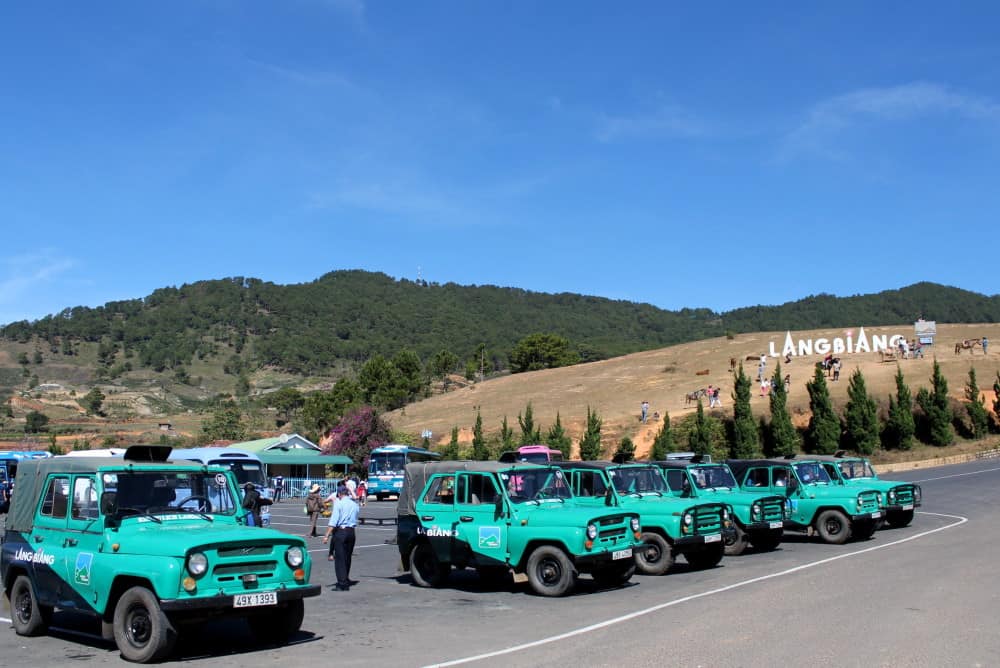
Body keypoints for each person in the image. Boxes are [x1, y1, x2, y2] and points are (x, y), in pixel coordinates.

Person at [323, 485, 360, 590]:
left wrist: (326, 535)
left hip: (341, 531)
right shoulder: (354, 504)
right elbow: (356, 513)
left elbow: (333, 522)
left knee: (340, 558)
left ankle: (342, 583)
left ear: (339, 494)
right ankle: (346, 578)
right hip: (351, 532)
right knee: (347, 557)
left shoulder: (338, 504)